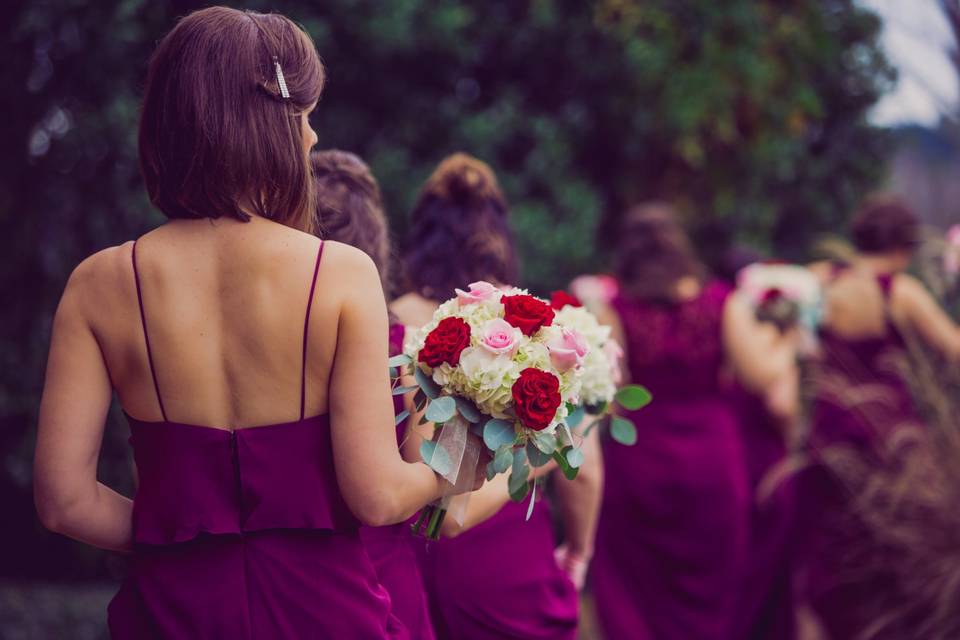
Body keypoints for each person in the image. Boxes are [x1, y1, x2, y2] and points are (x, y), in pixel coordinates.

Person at [33, 9, 479, 638]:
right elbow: (377, 495)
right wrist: (457, 466)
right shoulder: (340, 273)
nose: (313, 138)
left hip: (174, 613)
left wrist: (180, 531)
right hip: (325, 614)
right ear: (269, 123)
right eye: (305, 116)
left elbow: (63, 502)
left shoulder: (96, 285)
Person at [392, 153, 601, 640]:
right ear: (500, 231)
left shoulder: (388, 319)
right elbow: (583, 466)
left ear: (420, 234)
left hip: (411, 564)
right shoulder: (533, 323)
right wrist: (580, 549)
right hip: (506, 563)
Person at [590, 203, 797, 640]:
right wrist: (788, 339)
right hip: (712, 461)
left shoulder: (616, 309)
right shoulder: (722, 302)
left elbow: (608, 397)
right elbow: (759, 376)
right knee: (714, 583)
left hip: (640, 459)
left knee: (641, 586)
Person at [802, 195, 960, 639]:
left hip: (826, 435)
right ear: (904, 245)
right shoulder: (901, 292)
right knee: (888, 550)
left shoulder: (818, 281)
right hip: (891, 440)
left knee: (827, 552)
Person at [310, 148, 435, 640]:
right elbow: (421, 488)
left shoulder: (274, 341)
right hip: (383, 571)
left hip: (291, 574)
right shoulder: (405, 347)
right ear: (375, 238)